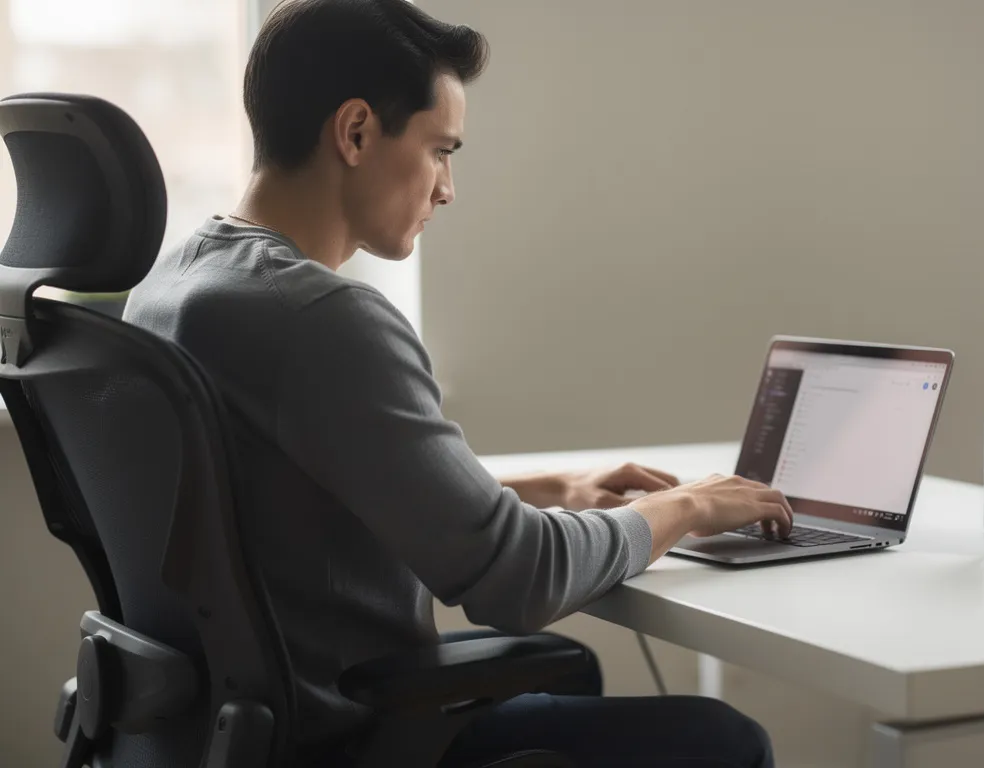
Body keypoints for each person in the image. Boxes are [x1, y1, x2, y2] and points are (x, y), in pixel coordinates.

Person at [123, 0, 794, 765]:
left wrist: (553, 486)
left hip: (223, 727)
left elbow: (313, 487)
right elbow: (519, 581)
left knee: (574, 673)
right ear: (356, 131)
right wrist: (689, 505)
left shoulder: (175, 290)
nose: (448, 188)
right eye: (441, 150)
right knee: (726, 742)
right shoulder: (320, 319)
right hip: (348, 736)